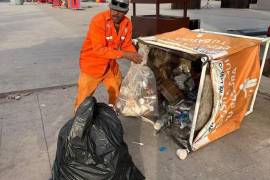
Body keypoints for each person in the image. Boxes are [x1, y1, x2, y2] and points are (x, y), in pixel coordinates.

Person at [74, 0, 142, 111]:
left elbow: (127, 45)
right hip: (92, 66)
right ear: (109, 7)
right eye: (114, 10)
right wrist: (125, 54)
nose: (116, 13)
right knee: (83, 100)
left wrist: (135, 55)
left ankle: (112, 112)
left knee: (116, 91)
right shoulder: (98, 20)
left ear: (126, 12)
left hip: (110, 66)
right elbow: (99, 49)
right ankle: (79, 122)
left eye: (120, 12)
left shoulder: (127, 23)